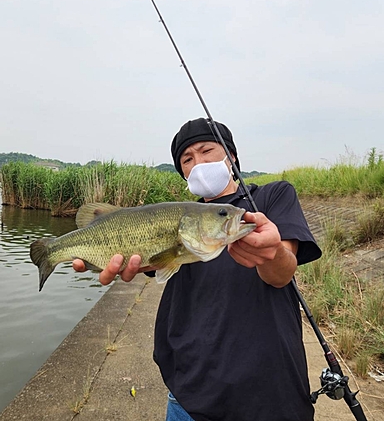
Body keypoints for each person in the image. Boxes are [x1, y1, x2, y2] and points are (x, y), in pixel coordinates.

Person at [73, 117, 322, 421]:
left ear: (231, 156)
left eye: (207, 151)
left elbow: (281, 274)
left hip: (267, 392)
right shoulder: (179, 215)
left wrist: (271, 254)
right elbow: (153, 264)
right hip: (188, 390)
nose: (198, 162)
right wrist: (119, 259)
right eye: (187, 159)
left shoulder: (271, 198)